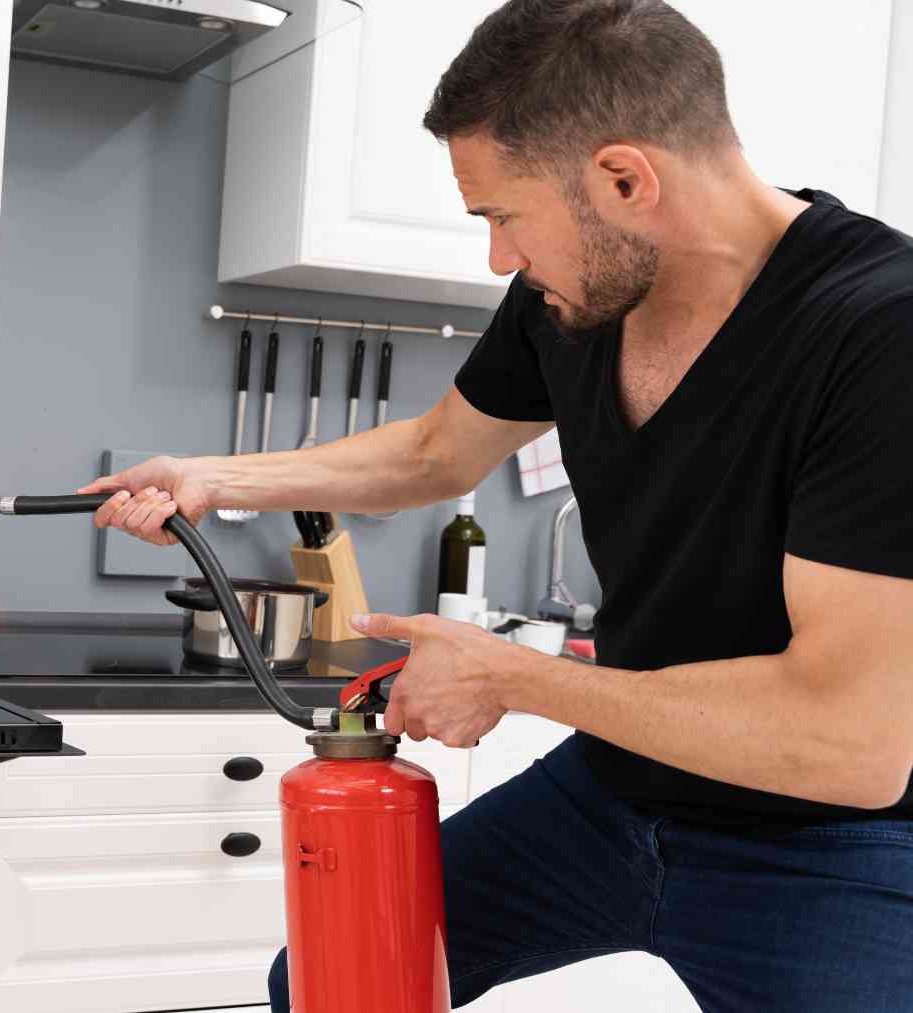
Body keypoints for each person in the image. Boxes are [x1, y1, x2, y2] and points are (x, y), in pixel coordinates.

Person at [83, 1, 913, 1009]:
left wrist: (519, 678)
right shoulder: (570, 302)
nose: (496, 260)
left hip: (826, 837)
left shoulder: (880, 334)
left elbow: (854, 743)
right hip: (619, 785)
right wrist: (221, 478)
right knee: (332, 979)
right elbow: (439, 451)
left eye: (501, 216)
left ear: (624, 179)